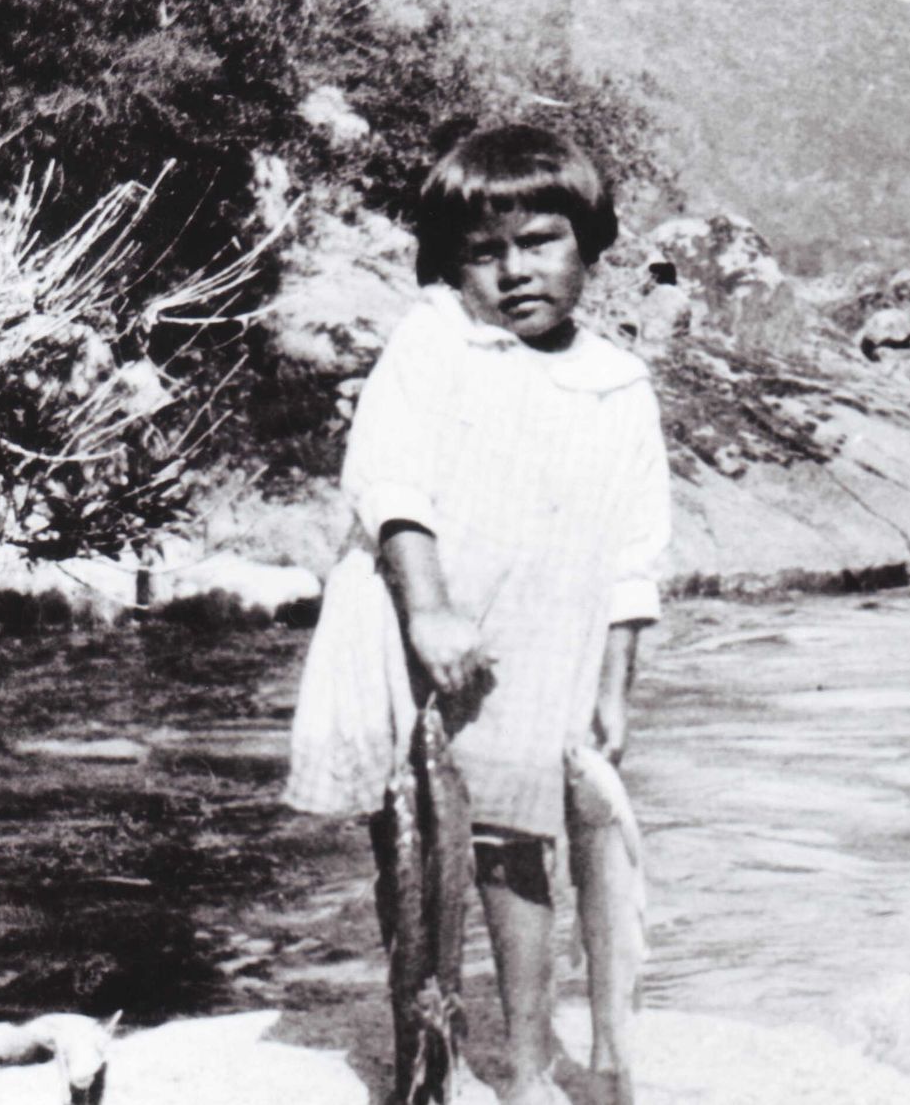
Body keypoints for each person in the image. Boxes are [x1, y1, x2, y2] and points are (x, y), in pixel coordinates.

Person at [284, 125, 670, 1105]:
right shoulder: (435, 340)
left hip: (535, 639)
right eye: (483, 252)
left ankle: (529, 1064)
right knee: (417, 844)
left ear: (587, 242)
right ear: (451, 263)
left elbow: (632, 558)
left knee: (520, 843)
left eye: (539, 241)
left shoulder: (618, 386)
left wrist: (613, 689)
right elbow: (391, 484)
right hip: (414, 618)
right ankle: (430, 1055)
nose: (514, 270)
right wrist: (429, 611)